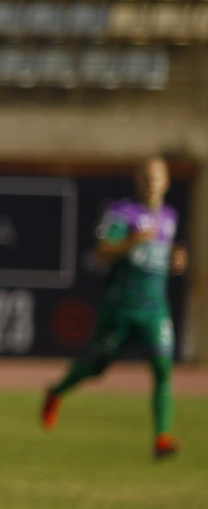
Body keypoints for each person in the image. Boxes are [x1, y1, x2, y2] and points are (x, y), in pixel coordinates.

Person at [43, 154, 189, 459]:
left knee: (163, 368)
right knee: (96, 367)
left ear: (166, 183)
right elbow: (104, 250)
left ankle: (162, 437)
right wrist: (132, 241)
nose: (151, 184)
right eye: (146, 177)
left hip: (154, 308)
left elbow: (164, 255)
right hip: (121, 307)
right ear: (139, 181)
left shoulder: (169, 218)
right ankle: (56, 392)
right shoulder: (123, 214)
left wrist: (176, 259)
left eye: (157, 178)